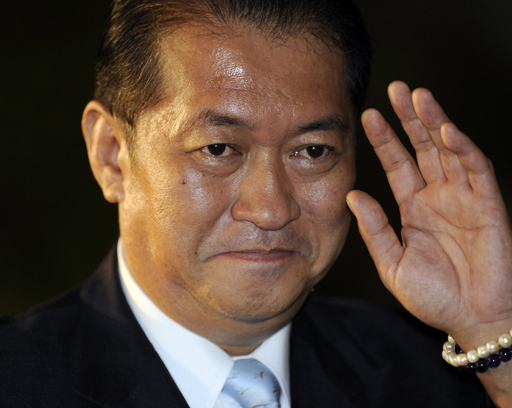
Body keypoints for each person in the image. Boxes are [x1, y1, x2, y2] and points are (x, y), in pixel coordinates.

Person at [1, 0, 511, 406]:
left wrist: (492, 332)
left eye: (313, 151)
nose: (271, 210)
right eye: (218, 149)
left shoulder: (443, 374)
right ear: (112, 155)